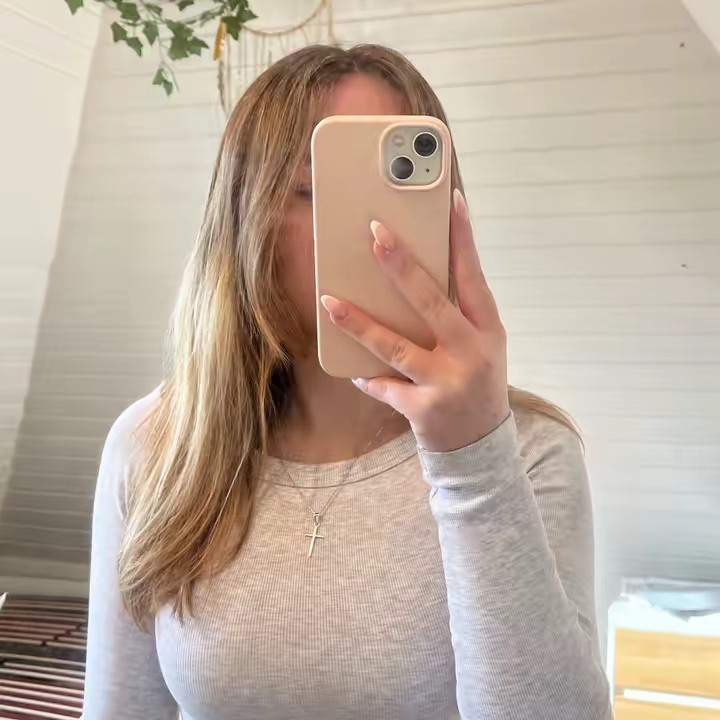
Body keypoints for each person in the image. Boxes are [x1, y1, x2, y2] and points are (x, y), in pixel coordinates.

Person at [83, 44, 611, 720]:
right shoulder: (156, 445)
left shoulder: (530, 452)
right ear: (244, 219)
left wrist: (474, 462)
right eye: (315, 190)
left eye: (399, 191)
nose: (373, 230)